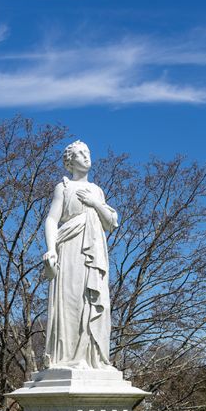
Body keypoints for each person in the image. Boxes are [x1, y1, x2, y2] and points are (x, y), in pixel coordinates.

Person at [43, 141, 118, 369]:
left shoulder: (97, 190)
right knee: (72, 302)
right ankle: (68, 358)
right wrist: (51, 249)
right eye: (80, 153)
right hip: (70, 251)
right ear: (70, 161)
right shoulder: (63, 188)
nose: (86, 157)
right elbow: (52, 219)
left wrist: (96, 203)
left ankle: (92, 357)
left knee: (92, 300)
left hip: (93, 254)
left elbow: (111, 222)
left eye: (88, 152)